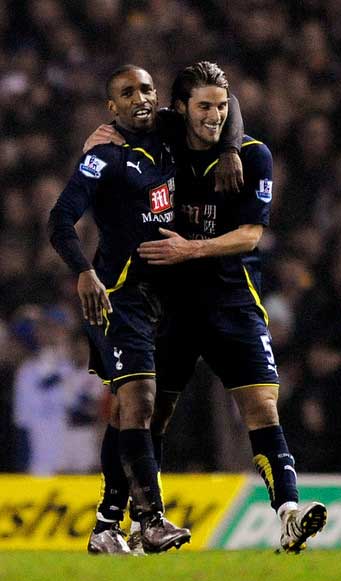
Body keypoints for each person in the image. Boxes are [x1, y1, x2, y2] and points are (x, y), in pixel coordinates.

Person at [85, 61, 327, 554]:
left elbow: (252, 235)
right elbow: (132, 119)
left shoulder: (253, 156)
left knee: (262, 406)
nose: (214, 116)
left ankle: (288, 512)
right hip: (168, 304)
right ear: (181, 110)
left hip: (231, 300)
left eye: (221, 107)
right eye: (203, 107)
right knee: (145, 413)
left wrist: (190, 248)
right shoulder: (166, 138)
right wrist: (102, 143)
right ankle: (115, 520)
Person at [48, 64, 244, 555]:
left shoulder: (171, 132)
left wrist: (230, 149)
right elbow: (60, 219)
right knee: (140, 401)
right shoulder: (103, 158)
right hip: (116, 295)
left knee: (128, 416)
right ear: (110, 108)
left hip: (165, 299)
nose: (140, 97)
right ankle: (151, 521)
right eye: (126, 92)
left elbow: (228, 105)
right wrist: (82, 271)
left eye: (147, 89)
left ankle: (105, 527)